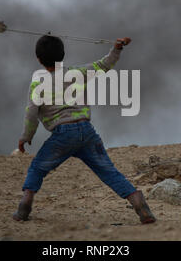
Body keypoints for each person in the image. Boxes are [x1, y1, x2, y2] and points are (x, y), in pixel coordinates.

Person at [13, 35, 156, 224]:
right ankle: (138, 202)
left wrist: (26, 136)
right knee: (108, 171)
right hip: (87, 132)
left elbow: (31, 114)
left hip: (62, 135)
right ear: (62, 56)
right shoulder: (77, 73)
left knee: (38, 168)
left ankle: (25, 205)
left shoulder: (37, 84)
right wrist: (117, 49)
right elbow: (104, 64)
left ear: (38, 59)